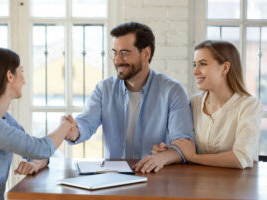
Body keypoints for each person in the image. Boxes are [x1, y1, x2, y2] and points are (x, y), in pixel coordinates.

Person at [66, 22, 195, 173]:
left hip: (155, 178)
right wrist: (74, 132)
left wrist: (163, 156)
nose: (117, 60)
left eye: (125, 53)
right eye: (115, 52)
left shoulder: (172, 91)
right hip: (113, 181)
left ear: (146, 53)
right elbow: (85, 123)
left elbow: (184, 142)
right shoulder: (104, 89)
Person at [0, 48, 76, 200]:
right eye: (21, 71)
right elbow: (41, 148)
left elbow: (34, 152)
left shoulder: (3, 118)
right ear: (10, 76)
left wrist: (36, 164)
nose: (24, 80)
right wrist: (64, 126)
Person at [153, 40, 263, 169]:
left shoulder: (249, 105)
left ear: (225, 68)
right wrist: (168, 151)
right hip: (198, 184)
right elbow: (184, 144)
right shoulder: (194, 102)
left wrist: (194, 157)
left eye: (203, 64)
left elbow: (241, 158)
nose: (195, 71)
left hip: (236, 185)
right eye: (195, 65)